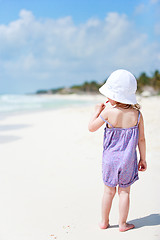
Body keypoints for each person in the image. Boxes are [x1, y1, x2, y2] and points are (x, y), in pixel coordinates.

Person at [88, 69, 147, 232]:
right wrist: (143, 158)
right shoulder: (137, 115)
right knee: (125, 192)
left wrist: (96, 112)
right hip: (128, 160)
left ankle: (104, 222)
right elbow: (141, 139)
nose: (107, 98)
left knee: (108, 191)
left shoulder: (108, 112)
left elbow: (91, 128)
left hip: (110, 160)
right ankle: (122, 224)